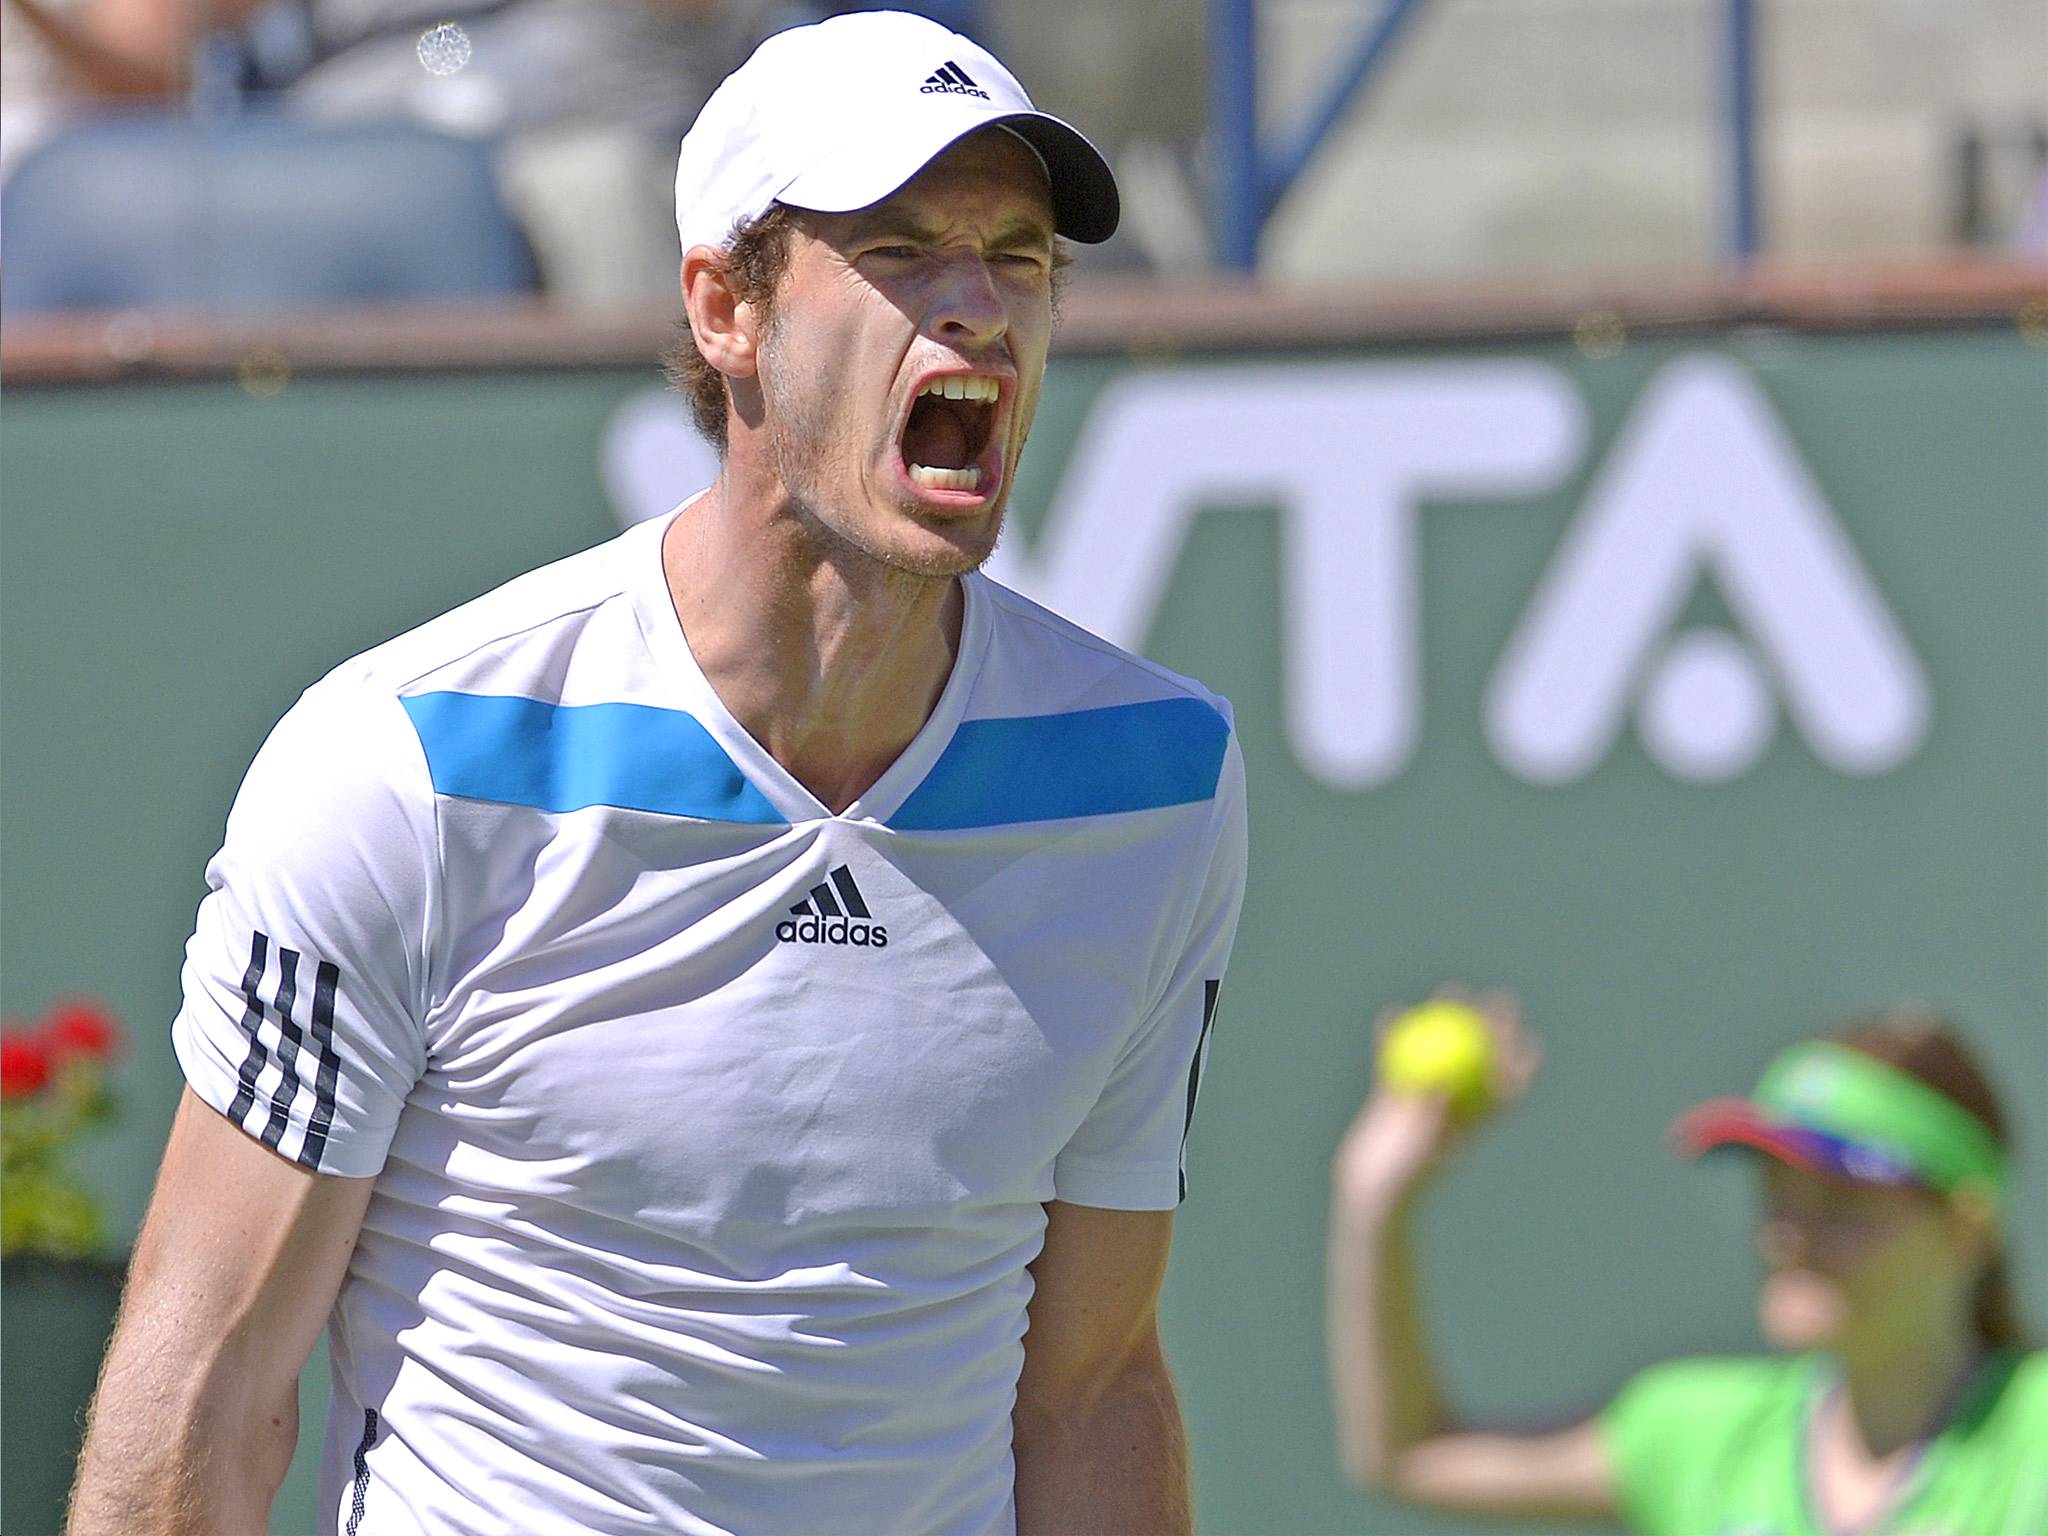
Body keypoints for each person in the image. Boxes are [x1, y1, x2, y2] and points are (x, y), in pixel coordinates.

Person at [68, 12, 1245, 1533]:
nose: (976, 308)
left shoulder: (1155, 785)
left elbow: (1090, 1388)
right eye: (898, 250)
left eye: (1018, 257)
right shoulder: (411, 765)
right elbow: (203, 1400)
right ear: (726, 309)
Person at [1328, 1001, 2046, 1534]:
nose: (1787, 1232)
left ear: (1965, 1227)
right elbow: (1407, 1456)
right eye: (1777, 1190)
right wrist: (1371, 1204)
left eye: (1841, 1197)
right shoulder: (1694, 1433)